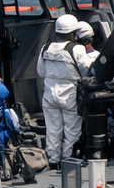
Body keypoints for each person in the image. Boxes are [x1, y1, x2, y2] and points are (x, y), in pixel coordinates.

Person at [37, 13, 100, 167]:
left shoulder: (45, 48)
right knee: (72, 131)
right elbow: (87, 71)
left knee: (53, 130)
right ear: (73, 32)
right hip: (69, 96)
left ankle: (53, 161)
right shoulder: (76, 49)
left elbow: (41, 72)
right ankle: (68, 162)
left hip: (49, 96)